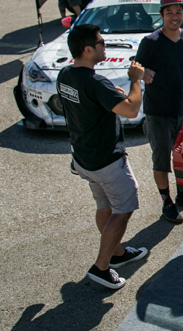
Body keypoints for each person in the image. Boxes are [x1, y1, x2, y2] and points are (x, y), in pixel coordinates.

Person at [57, 24, 150, 290]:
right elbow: (132, 110)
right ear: (88, 50)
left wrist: (112, 95)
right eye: (100, 43)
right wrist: (135, 79)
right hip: (107, 162)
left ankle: (117, 252)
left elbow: (87, 102)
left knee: (105, 206)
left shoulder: (66, 74)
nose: (104, 46)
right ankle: (101, 267)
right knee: (124, 209)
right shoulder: (94, 82)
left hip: (84, 159)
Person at [134, 0, 183, 225]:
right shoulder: (151, 42)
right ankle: (167, 201)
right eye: (169, 12)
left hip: (181, 109)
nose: (175, 17)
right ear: (161, 15)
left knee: (182, 155)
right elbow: (135, 68)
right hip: (157, 113)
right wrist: (144, 73)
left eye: (179, 12)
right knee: (161, 159)